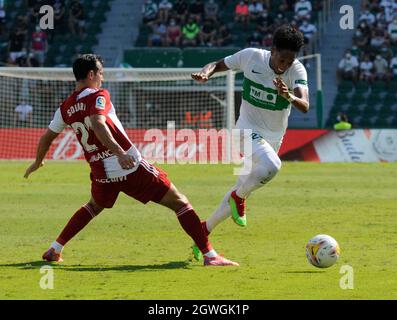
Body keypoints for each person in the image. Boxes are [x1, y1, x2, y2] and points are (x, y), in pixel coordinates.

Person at [24, 54, 238, 267]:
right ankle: (210, 256)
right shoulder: (99, 95)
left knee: (93, 206)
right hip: (127, 165)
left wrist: (37, 162)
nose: (102, 78)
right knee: (180, 202)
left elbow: (46, 137)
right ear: (91, 75)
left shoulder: (65, 107)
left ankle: (55, 248)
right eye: (100, 73)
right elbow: (98, 123)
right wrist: (119, 153)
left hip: (101, 172)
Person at [191, 25, 309, 260]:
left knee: (244, 184)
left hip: (274, 138)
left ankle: (202, 234)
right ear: (272, 50)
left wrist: (289, 96)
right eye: (282, 59)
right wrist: (206, 73)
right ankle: (239, 198)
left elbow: (304, 105)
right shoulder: (251, 57)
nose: (284, 65)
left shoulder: (297, 70)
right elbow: (217, 64)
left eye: (290, 61)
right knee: (272, 167)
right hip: (246, 130)